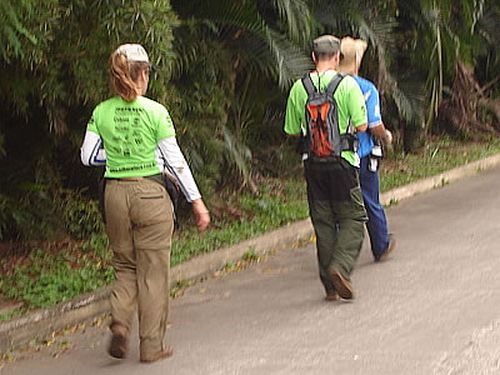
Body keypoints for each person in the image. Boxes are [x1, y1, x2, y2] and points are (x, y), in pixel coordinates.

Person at [80, 44, 210, 363]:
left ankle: (120, 323)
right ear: (142, 74)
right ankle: (151, 346)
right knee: (153, 273)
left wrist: (119, 156)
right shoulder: (156, 112)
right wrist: (197, 202)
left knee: (125, 265)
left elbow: (87, 156)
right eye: (147, 72)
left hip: (115, 196)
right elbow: (176, 162)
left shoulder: (101, 111)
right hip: (151, 194)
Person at [284, 35, 368, 301]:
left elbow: (290, 129)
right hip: (342, 163)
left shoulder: (299, 87)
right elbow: (362, 125)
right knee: (353, 219)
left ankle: (330, 287)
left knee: (323, 222)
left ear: (312, 58)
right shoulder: (348, 86)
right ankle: (340, 268)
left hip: (313, 165)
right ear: (337, 58)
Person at [338, 36, 396, 262]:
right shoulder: (365, 88)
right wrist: (386, 136)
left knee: (340, 204)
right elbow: (373, 125)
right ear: (357, 62)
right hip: (361, 154)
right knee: (370, 199)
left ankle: (338, 253)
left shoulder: (326, 85)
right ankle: (380, 245)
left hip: (333, 156)